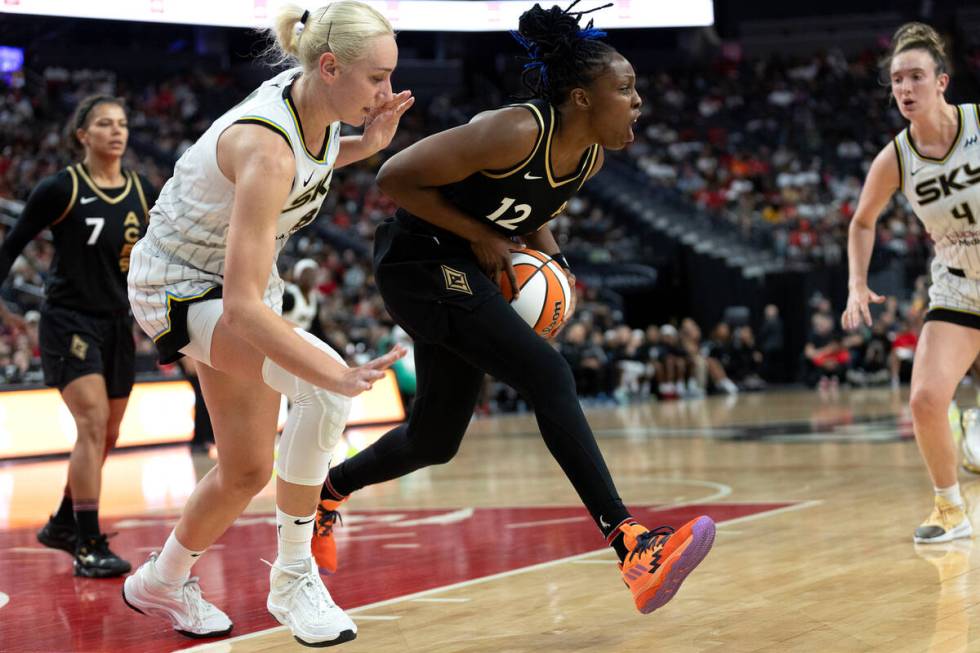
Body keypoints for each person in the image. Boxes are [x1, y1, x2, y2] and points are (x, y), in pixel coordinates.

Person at [312, 1, 714, 616]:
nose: (637, 101)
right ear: (580, 98)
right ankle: (632, 546)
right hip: (416, 261)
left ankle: (328, 491)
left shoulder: (589, 158)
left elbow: (535, 214)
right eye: (625, 88)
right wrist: (479, 233)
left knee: (435, 438)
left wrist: (557, 268)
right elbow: (392, 178)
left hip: (466, 267)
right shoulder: (516, 131)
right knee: (548, 373)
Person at [121, 2, 411, 645]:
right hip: (178, 288)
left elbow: (310, 167)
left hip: (232, 286)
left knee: (247, 470)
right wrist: (333, 371)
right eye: (377, 79)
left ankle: (162, 580)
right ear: (330, 66)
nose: (387, 92)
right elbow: (245, 307)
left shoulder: (323, 107)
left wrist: (368, 146)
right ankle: (294, 578)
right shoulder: (267, 144)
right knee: (321, 393)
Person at [0, 95, 155, 578]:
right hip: (68, 320)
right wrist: (5, 313)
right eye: (104, 124)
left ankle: (65, 522)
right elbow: (10, 247)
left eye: (123, 123)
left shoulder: (143, 190)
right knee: (90, 426)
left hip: (117, 325)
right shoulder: (60, 189)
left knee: (107, 434)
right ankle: (88, 542)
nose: (117, 131)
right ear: (82, 135)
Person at [842, 22, 980, 544]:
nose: (905, 88)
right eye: (898, 79)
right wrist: (857, 283)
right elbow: (861, 221)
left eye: (916, 76)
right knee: (925, 398)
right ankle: (951, 509)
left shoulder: (978, 124)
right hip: (958, 286)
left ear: (942, 81)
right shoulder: (897, 157)